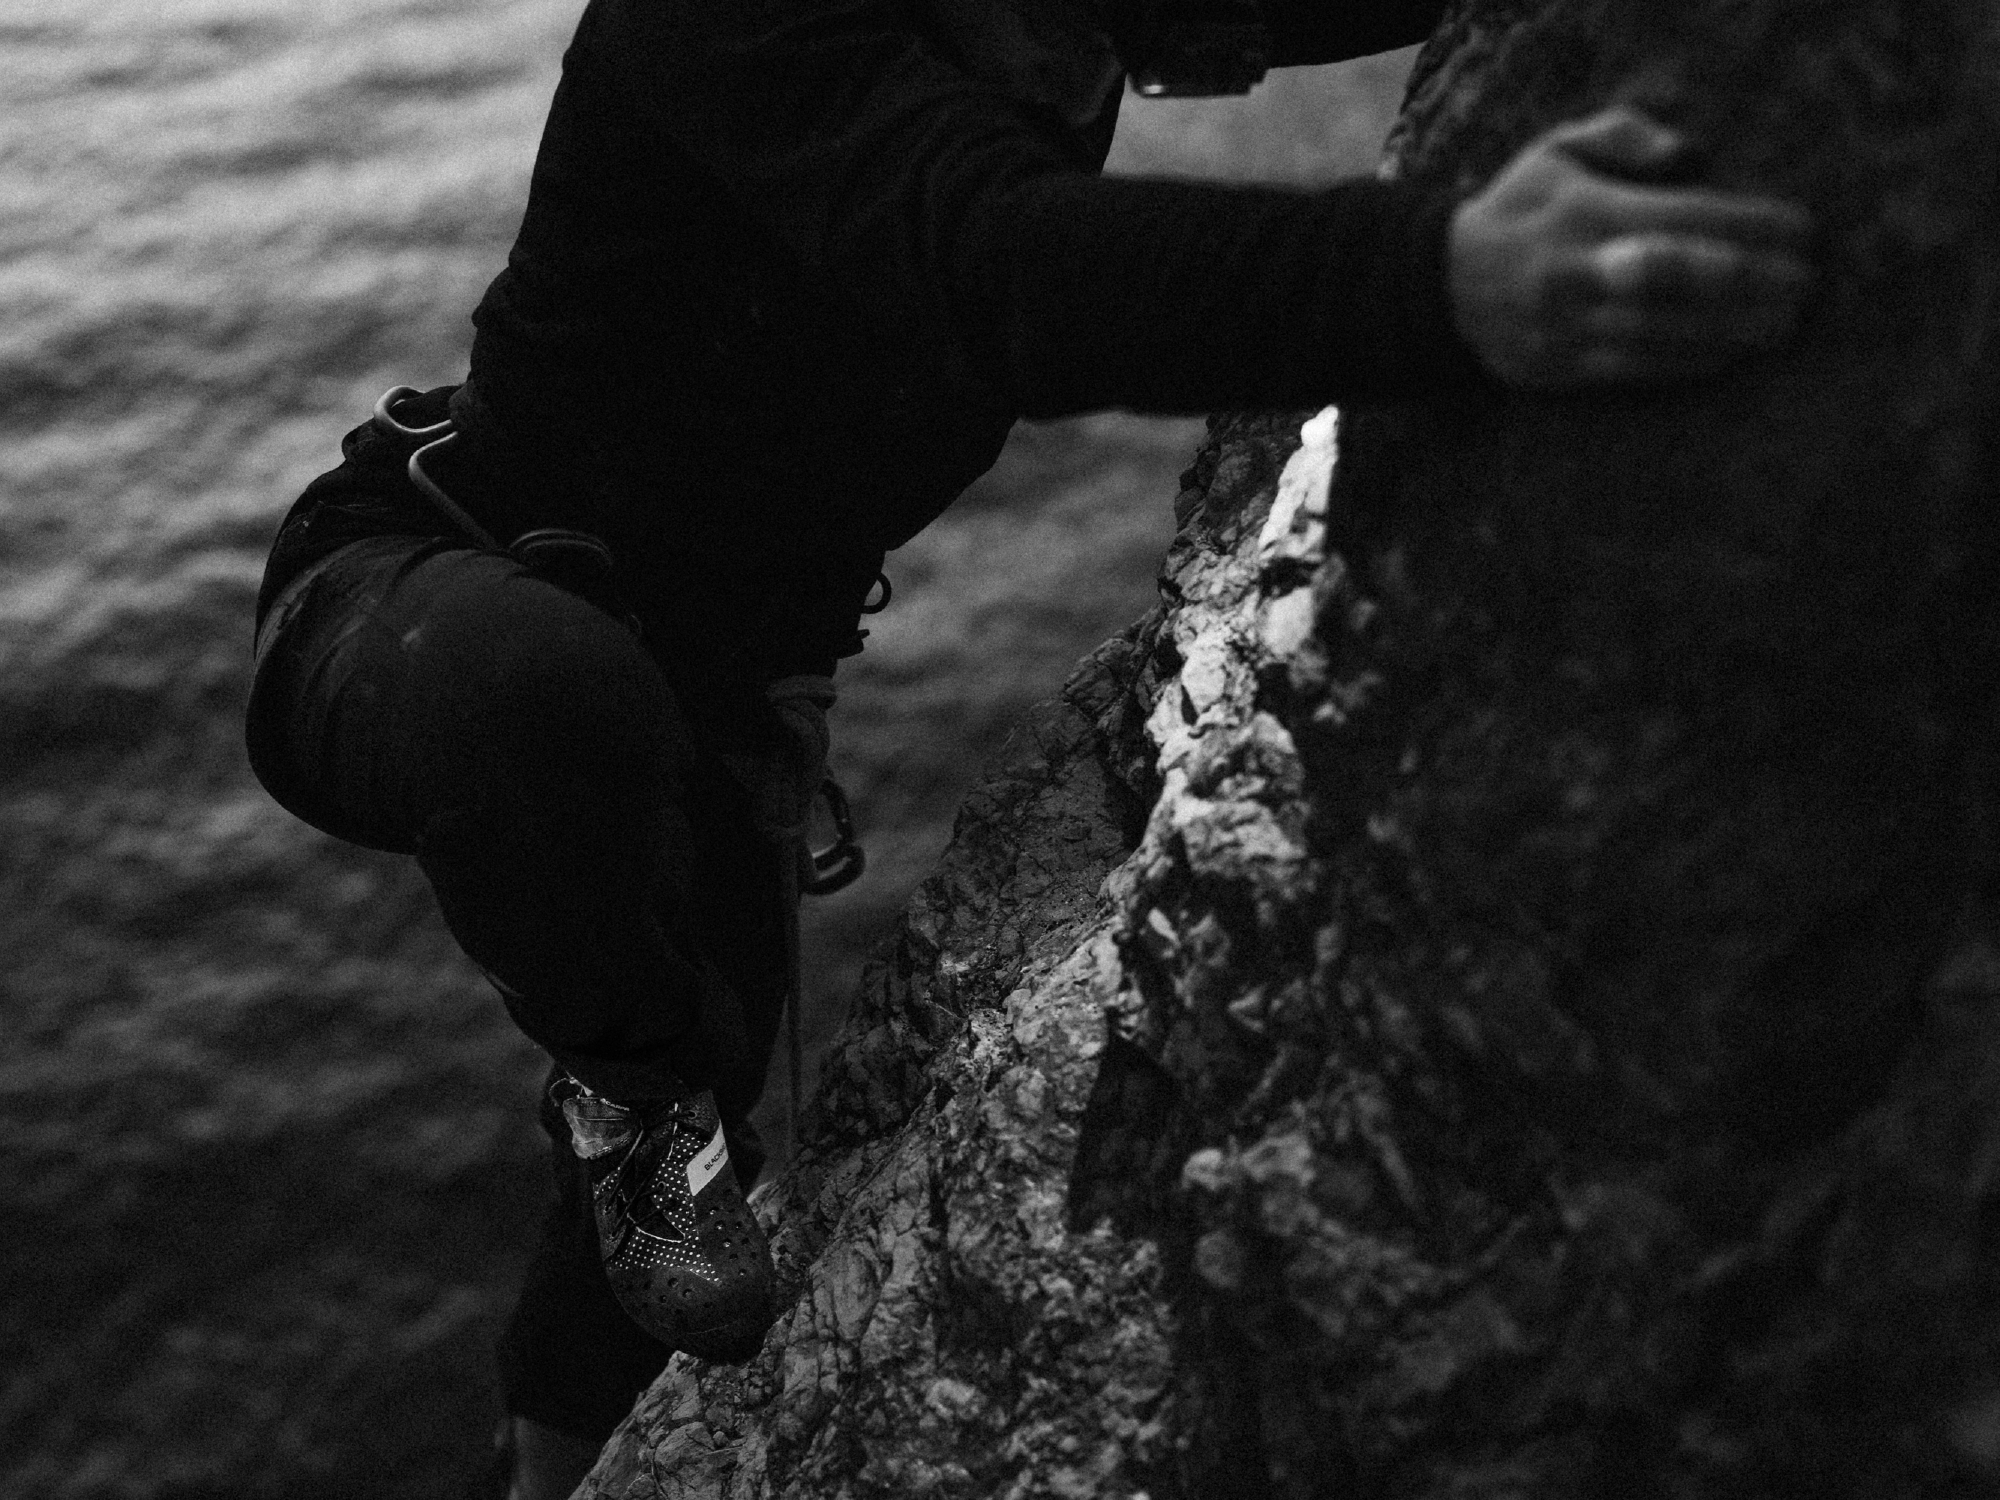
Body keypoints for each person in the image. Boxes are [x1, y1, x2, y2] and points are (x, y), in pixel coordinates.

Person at [242, 0, 1816, 1494]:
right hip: (419, 588)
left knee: (672, 1219)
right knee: (546, 724)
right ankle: (626, 1089)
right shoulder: (736, 27)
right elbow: (1012, 267)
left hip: (720, 705)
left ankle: (550, 1457)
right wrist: (1448, 279)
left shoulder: (1044, 21)